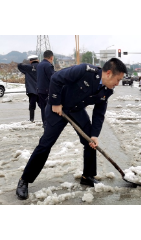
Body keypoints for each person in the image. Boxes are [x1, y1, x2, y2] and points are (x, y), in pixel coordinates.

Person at [16, 58, 128, 200]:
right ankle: (24, 180)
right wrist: (55, 102)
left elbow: (99, 113)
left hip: (76, 110)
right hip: (58, 108)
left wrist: (94, 135)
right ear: (108, 73)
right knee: (45, 144)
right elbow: (56, 78)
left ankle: (87, 176)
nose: (117, 84)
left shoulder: (107, 89)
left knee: (89, 142)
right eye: (117, 80)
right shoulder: (84, 70)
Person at [17, 55, 40, 122]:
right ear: (38, 60)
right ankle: (46, 119)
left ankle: (31, 119)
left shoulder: (28, 68)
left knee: (32, 106)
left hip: (32, 90)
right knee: (43, 106)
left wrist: (26, 63)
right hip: (41, 89)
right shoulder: (42, 66)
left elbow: (19, 65)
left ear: (30, 61)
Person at [36, 50, 55, 128]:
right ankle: (48, 124)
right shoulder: (48, 65)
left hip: (39, 89)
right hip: (47, 90)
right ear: (51, 57)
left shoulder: (39, 65)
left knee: (43, 109)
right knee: (48, 108)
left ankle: (45, 123)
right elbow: (52, 78)